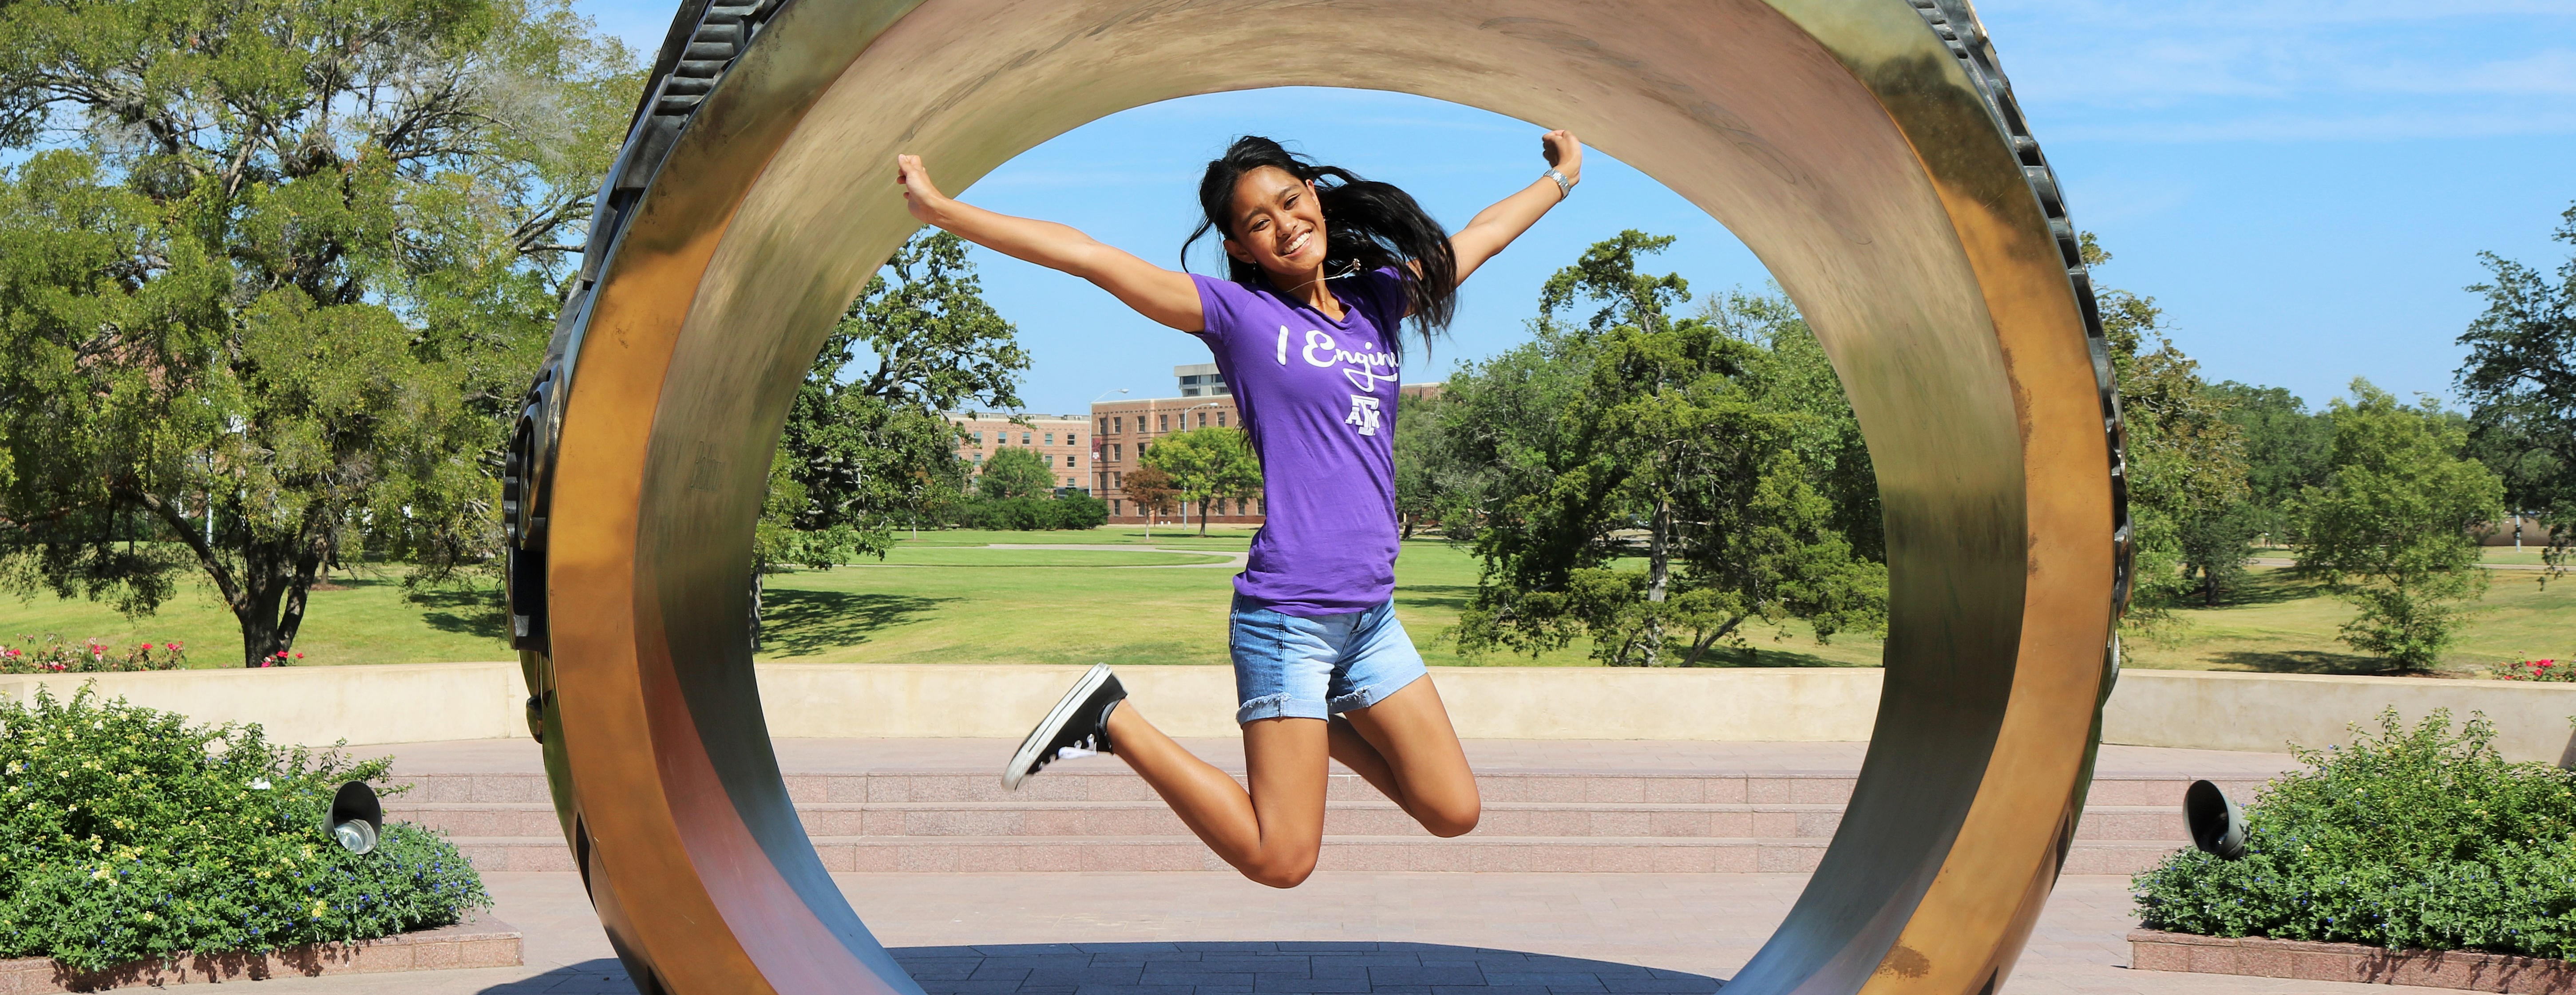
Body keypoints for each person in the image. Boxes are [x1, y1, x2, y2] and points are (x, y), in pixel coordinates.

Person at [893, 130, 1583, 888]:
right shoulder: (1237, 316)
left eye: (1291, 201)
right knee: (1281, 858)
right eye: (1260, 222)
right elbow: (1088, 254)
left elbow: (1477, 238)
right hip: (1290, 613)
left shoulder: (1378, 300)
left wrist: (1562, 179)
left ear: (1314, 197)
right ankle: (1111, 719)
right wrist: (942, 212)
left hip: (1370, 616)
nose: (1285, 223)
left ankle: (1305, 718)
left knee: (1454, 809)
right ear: (1242, 246)